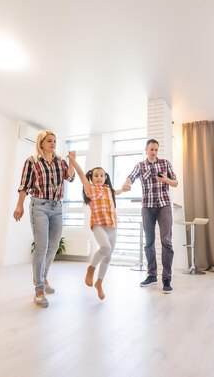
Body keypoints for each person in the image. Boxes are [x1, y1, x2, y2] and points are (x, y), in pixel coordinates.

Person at [13, 130, 74, 307]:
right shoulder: (32, 161)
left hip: (57, 207)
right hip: (39, 206)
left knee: (53, 246)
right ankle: (39, 289)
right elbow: (24, 185)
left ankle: (44, 277)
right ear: (41, 143)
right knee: (42, 247)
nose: (53, 143)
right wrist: (19, 205)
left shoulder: (60, 162)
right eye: (49, 141)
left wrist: (71, 161)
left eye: (55, 141)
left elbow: (70, 177)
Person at [122, 139, 178, 294]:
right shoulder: (141, 166)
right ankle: (151, 275)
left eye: (156, 149)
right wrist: (127, 184)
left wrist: (166, 179)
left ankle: (167, 278)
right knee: (149, 242)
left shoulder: (165, 163)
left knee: (166, 241)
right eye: (151, 149)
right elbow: (131, 177)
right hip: (147, 207)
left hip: (164, 205)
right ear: (146, 150)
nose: (154, 152)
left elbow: (175, 183)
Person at [68, 152, 123, 300]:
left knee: (108, 257)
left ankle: (99, 283)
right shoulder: (90, 188)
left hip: (112, 226)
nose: (99, 177)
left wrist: (125, 188)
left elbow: (119, 191)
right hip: (98, 224)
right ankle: (91, 268)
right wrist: (72, 160)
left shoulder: (109, 190)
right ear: (91, 178)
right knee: (105, 248)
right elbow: (80, 173)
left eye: (102, 175)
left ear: (105, 178)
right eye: (96, 175)